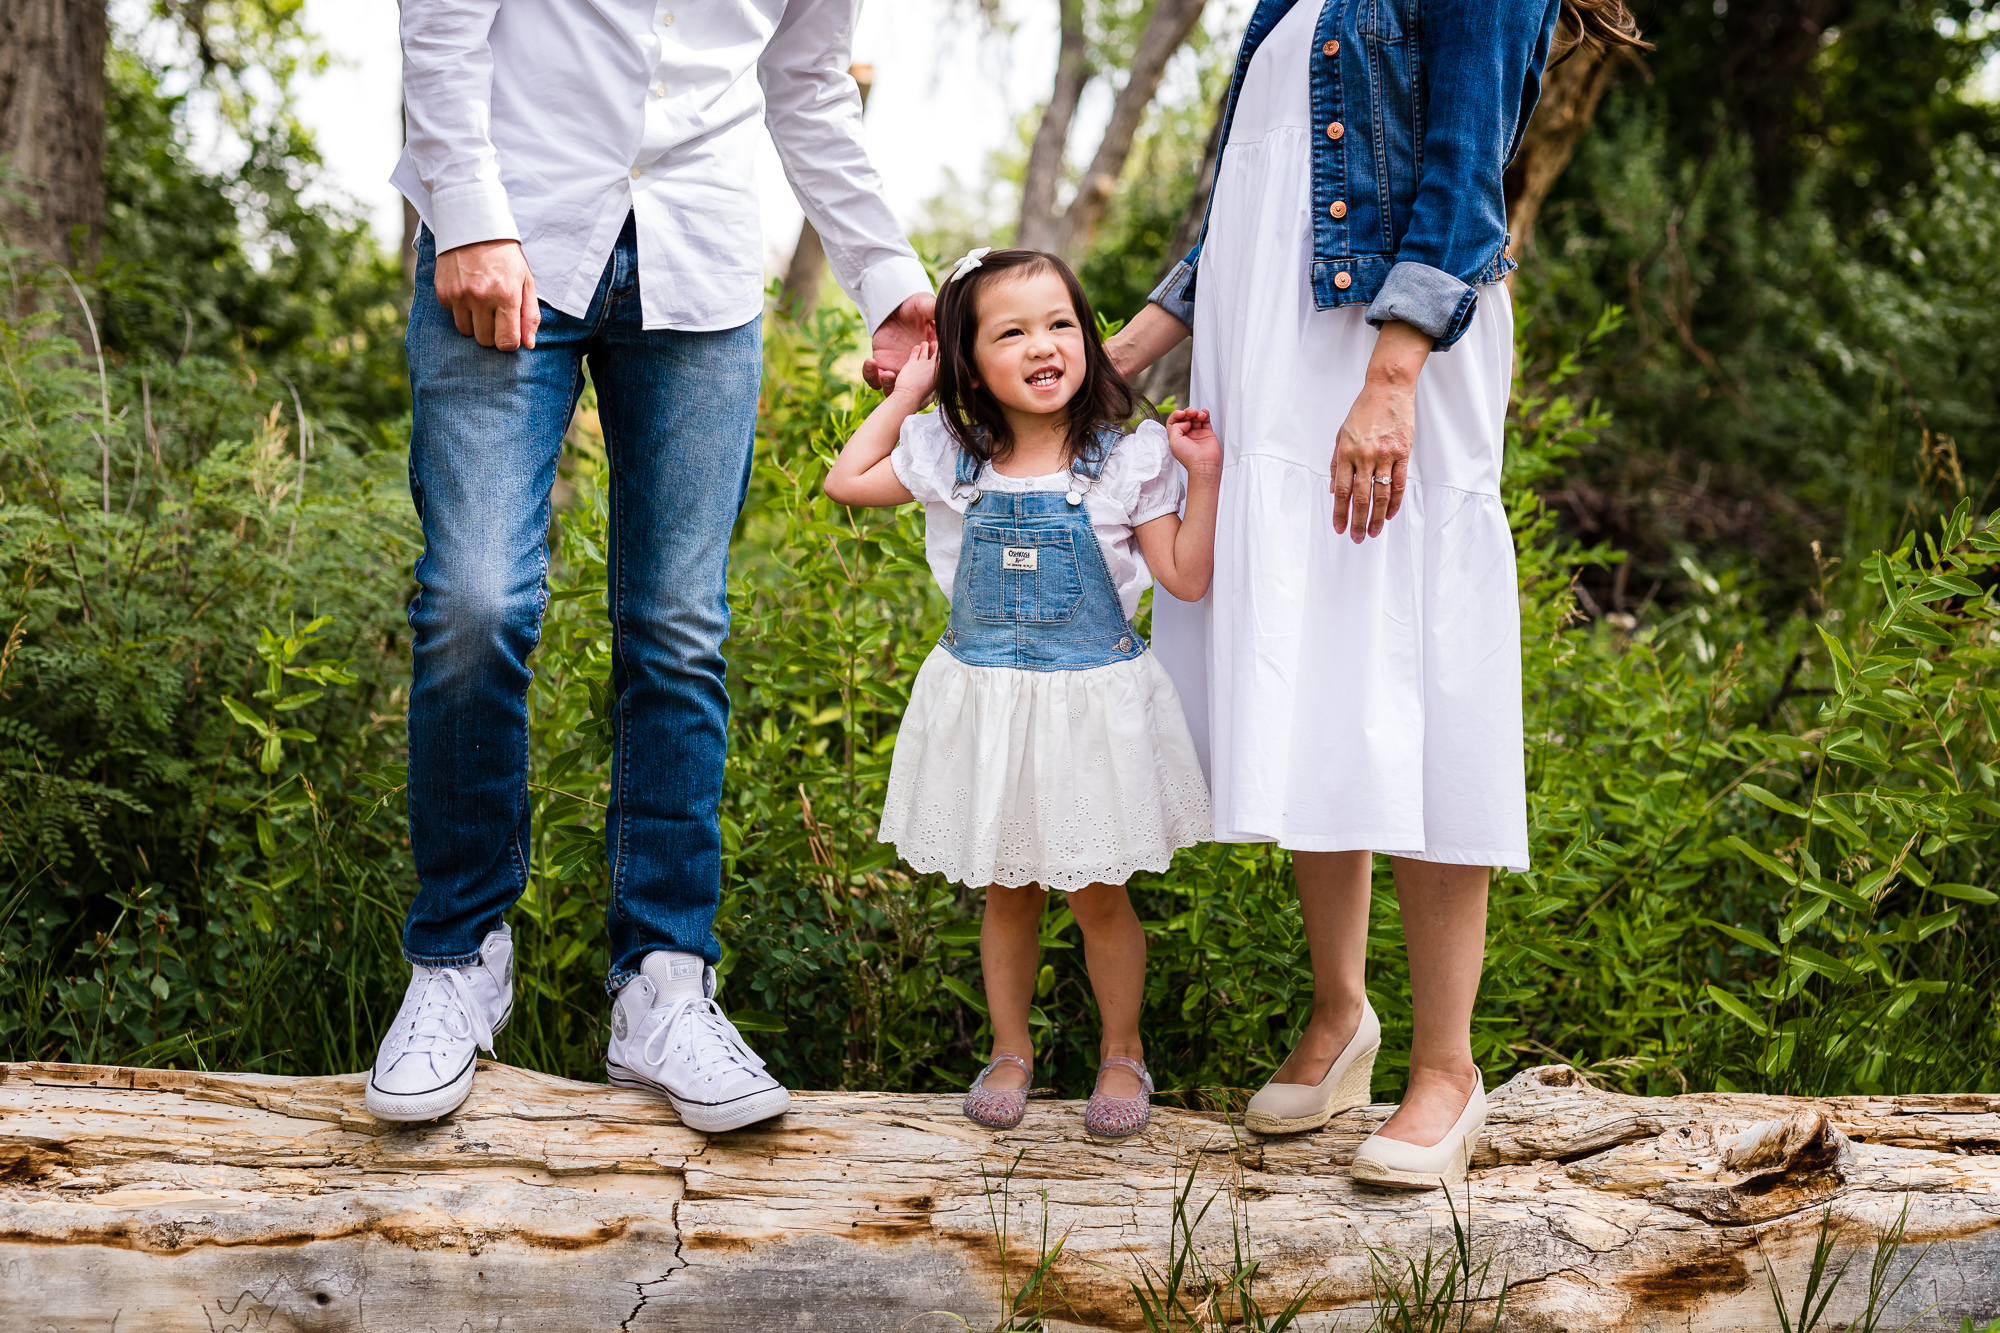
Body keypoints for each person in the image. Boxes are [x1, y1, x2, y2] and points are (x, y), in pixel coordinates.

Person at [365, 0, 936, 1130]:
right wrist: (470, 215)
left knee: (678, 629)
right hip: (510, 228)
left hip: (701, 259)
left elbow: (807, 83)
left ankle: (662, 984)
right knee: (477, 598)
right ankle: (456, 959)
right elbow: (440, 28)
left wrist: (885, 274)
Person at [1104, 0, 1647, 1186]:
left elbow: (1460, 178)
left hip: (1384, 356)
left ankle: (1447, 1069)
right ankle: (1341, 1013)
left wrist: (1392, 373)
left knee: (1414, 668)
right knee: (1321, 669)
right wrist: (1117, 357)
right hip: (1271, 359)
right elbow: (1240, 213)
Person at [823, 248, 1217, 1137]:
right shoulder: (957, 460)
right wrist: (903, 398)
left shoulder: (1126, 462)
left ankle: (1124, 1052)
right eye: (1012, 331)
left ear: (1088, 339)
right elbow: (846, 479)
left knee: (1099, 894)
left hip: (1090, 716)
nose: (1045, 345)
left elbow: (1186, 579)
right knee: (1008, 890)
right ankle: (1010, 1049)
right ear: (968, 363)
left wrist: (1207, 476)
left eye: (1061, 324)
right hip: (992, 711)